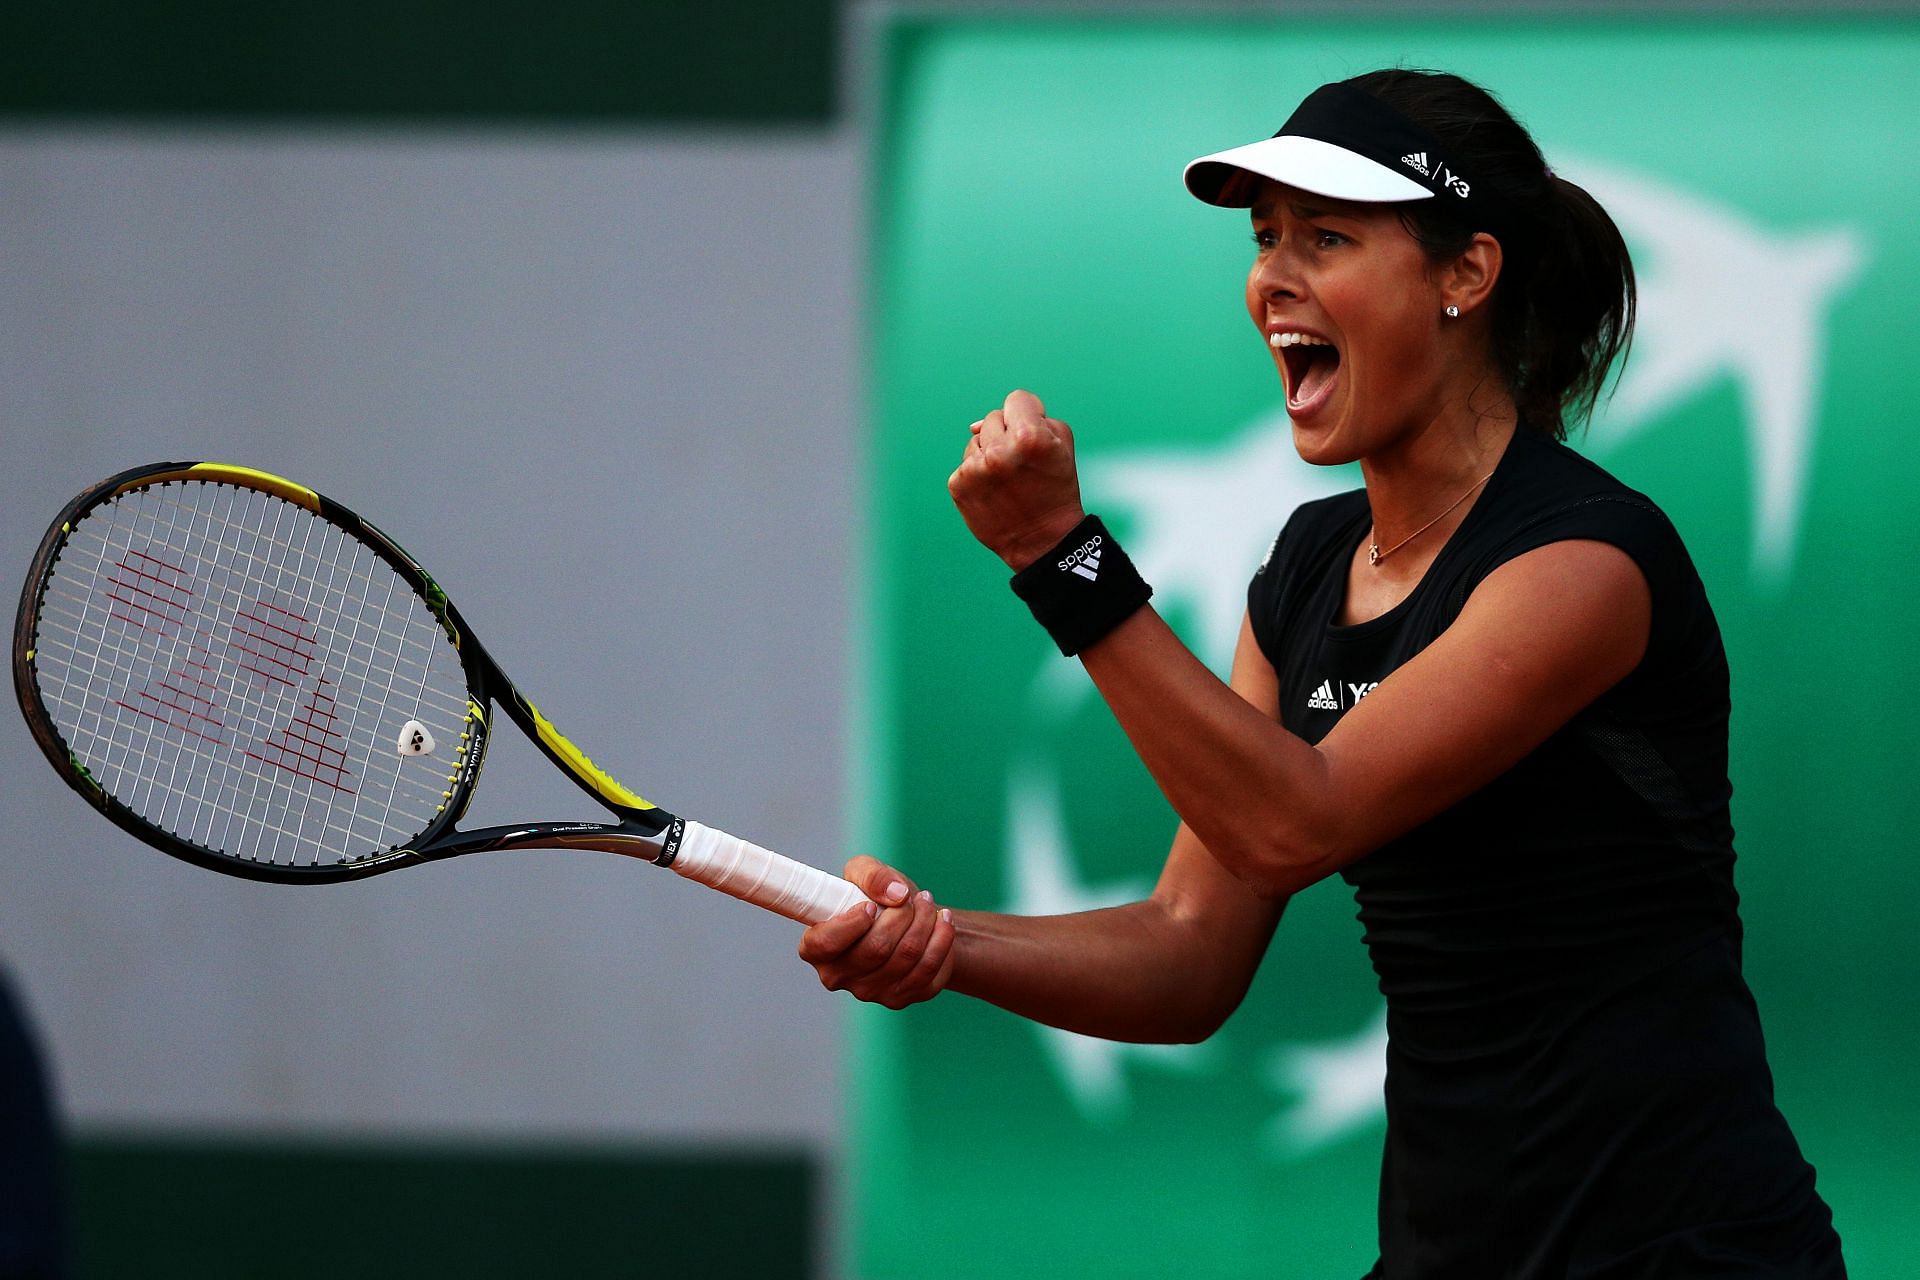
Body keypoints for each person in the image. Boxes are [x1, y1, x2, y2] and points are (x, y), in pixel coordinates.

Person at [800, 69, 1845, 1276]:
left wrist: (1059, 556)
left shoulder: (1585, 564)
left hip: (1686, 1255)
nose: (1273, 278)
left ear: (1467, 274)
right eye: (1265, 238)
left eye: (1328, 237)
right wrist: (940, 943)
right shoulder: (1305, 570)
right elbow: (1190, 947)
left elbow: (1297, 821)